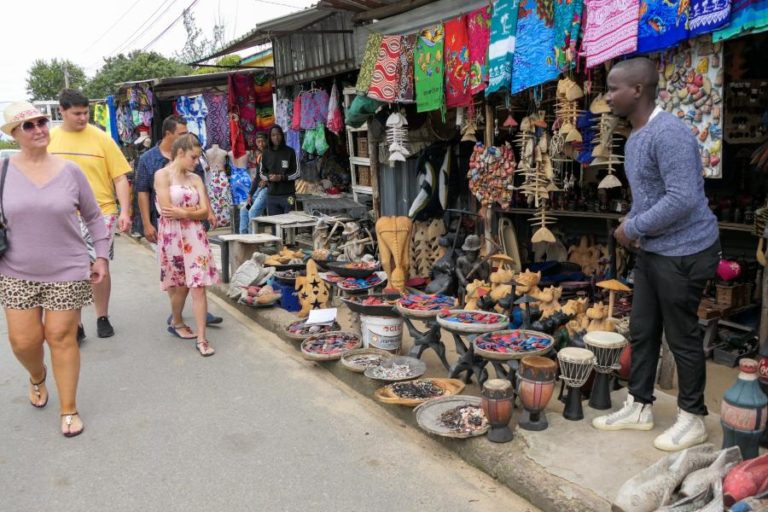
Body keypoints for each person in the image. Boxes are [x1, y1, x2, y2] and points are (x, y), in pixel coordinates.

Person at [592, 58, 720, 452]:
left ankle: (692, 417)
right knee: (644, 330)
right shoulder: (636, 137)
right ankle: (639, 405)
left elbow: (682, 198)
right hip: (654, 251)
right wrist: (634, 220)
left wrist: (632, 227)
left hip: (686, 251)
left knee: (681, 336)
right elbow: (652, 196)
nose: (607, 97)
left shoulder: (670, 134)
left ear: (637, 91)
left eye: (614, 89)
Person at [0, 101, 110, 437]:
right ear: (15, 134)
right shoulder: (3, 171)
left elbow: (93, 216)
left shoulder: (70, 171)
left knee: (61, 337)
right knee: (23, 342)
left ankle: (68, 408)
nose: (38, 130)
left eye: (41, 122)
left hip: (67, 268)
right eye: (28, 125)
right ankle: (36, 376)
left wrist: (101, 255)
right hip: (15, 270)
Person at [48, 89, 131, 340]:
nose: (83, 118)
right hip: (63, 215)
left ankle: (102, 316)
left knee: (99, 265)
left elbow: (120, 177)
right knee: (72, 270)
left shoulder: (102, 138)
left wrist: (125, 210)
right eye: (76, 113)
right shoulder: (49, 140)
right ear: (61, 111)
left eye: (85, 113)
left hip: (101, 212)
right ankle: (76, 322)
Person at [135, 116, 223, 328]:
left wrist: (207, 211)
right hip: (168, 228)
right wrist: (147, 223)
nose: (186, 136)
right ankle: (178, 316)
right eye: (182, 133)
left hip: (193, 229)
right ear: (169, 135)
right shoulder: (149, 159)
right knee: (176, 277)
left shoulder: (192, 159)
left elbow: (201, 189)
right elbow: (142, 192)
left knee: (195, 275)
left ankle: (198, 311)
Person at [155, 134, 220, 356]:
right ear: (180, 153)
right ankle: (177, 321)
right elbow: (166, 210)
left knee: (199, 286)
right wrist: (193, 213)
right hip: (172, 237)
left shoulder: (196, 179)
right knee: (179, 286)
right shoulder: (162, 175)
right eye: (193, 157)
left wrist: (184, 212)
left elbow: (204, 211)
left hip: (195, 236)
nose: (195, 162)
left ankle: (202, 339)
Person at [260, 125, 299, 215]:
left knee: (290, 223)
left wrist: (281, 178)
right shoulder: (265, 153)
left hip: (289, 196)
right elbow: (262, 173)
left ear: (282, 135)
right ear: (270, 137)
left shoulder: (290, 152)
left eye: (278, 134)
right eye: (273, 135)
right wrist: (269, 177)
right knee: (275, 226)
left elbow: (297, 173)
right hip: (272, 196)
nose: (276, 137)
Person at [241, 132, 269, 233]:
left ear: (267, 141)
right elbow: (257, 177)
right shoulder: (260, 157)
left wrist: (267, 180)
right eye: (258, 142)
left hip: (269, 190)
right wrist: (250, 194)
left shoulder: (272, 154)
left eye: (263, 141)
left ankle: (253, 240)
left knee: (252, 212)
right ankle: (243, 240)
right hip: (259, 189)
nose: (261, 144)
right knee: (244, 210)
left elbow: (278, 172)